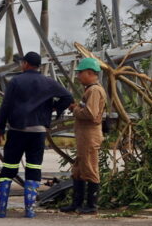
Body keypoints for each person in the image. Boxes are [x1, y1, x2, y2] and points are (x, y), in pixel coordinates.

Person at [0, 52, 74, 218]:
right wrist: (54, 108)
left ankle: (2, 210)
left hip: (17, 130)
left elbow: (6, 105)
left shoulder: (16, 81)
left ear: (25, 64)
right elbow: (68, 97)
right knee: (34, 167)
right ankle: (29, 211)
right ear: (38, 65)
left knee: (8, 167)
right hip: (38, 132)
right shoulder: (48, 82)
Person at [60, 57, 107, 214]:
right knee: (78, 169)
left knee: (90, 168)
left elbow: (90, 113)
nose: (78, 76)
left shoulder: (94, 90)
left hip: (90, 135)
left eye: (80, 73)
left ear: (90, 73)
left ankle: (92, 206)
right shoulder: (90, 89)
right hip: (84, 136)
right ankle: (77, 203)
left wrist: (74, 109)